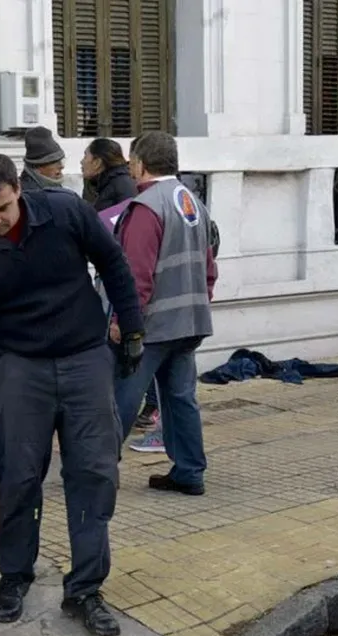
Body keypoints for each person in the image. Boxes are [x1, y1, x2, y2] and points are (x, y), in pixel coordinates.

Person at [0, 152, 144, 636]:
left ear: (17, 189)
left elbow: (113, 262)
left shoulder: (66, 211)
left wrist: (131, 327)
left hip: (85, 355)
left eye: (1, 208)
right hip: (20, 366)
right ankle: (14, 576)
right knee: (18, 475)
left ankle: (86, 589)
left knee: (94, 473)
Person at [111, 131, 218, 495]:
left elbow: (134, 275)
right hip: (190, 321)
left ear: (140, 164)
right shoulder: (191, 201)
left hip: (152, 326)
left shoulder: (146, 207)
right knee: (180, 397)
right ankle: (189, 471)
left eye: (131, 162)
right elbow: (209, 265)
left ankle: (97, 469)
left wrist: (123, 322)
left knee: (122, 397)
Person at [81, 138, 138, 212]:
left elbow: (128, 217)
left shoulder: (122, 184)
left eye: (85, 157)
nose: (81, 161)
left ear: (97, 162)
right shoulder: (100, 183)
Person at [18, 126, 65, 191]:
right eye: (55, 162)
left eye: (61, 161)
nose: (62, 166)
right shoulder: (25, 194)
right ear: (37, 168)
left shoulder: (52, 184)